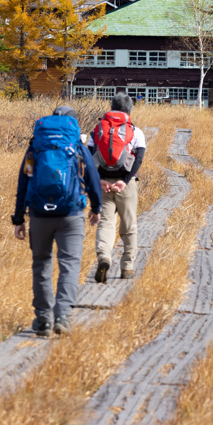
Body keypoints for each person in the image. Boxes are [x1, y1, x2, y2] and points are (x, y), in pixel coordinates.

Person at [12, 105, 101, 337]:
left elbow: (24, 180)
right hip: (71, 213)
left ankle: (43, 320)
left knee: (41, 264)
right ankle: (62, 315)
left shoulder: (36, 147)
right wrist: (96, 207)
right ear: (73, 124)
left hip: (40, 214)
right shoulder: (77, 146)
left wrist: (19, 218)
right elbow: (91, 175)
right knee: (69, 264)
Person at [89, 92, 147, 283]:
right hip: (126, 184)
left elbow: (89, 158)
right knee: (129, 225)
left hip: (103, 182)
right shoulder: (135, 131)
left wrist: (98, 180)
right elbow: (138, 159)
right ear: (130, 109)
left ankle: (104, 257)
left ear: (111, 107)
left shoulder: (98, 129)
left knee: (105, 222)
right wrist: (126, 180)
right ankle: (127, 267)